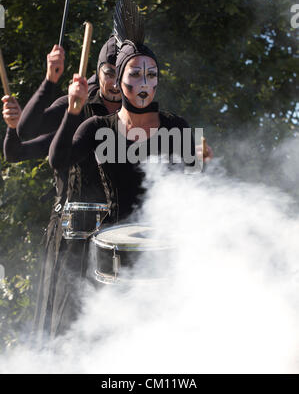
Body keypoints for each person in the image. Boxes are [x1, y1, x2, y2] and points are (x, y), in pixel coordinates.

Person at [14, 37, 121, 343]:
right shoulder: (77, 101)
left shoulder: (137, 113)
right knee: (63, 323)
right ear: (98, 72)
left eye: (120, 73)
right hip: (70, 233)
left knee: (115, 325)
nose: (114, 82)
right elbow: (26, 131)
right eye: (108, 73)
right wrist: (51, 79)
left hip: (116, 235)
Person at [49, 38, 200, 224]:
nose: (144, 83)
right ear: (119, 81)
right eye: (135, 74)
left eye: (151, 75)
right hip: (113, 242)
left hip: (163, 240)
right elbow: (58, 161)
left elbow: (197, 184)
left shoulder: (177, 126)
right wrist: (72, 111)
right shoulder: (97, 126)